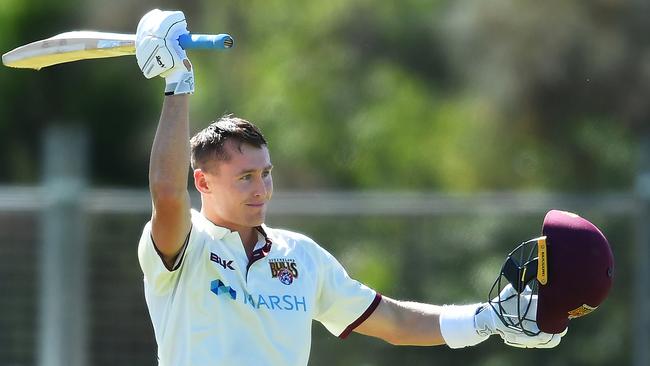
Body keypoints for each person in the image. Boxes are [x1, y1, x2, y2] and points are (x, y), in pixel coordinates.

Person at [134, 9, 586, 366]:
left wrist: (487, 320)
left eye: (266, 173)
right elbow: (167, 194)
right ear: (203, 182)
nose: (262, 189)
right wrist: (179, 84)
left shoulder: (301, 257)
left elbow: (392, 320)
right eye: (245, 177)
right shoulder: (185, 246)